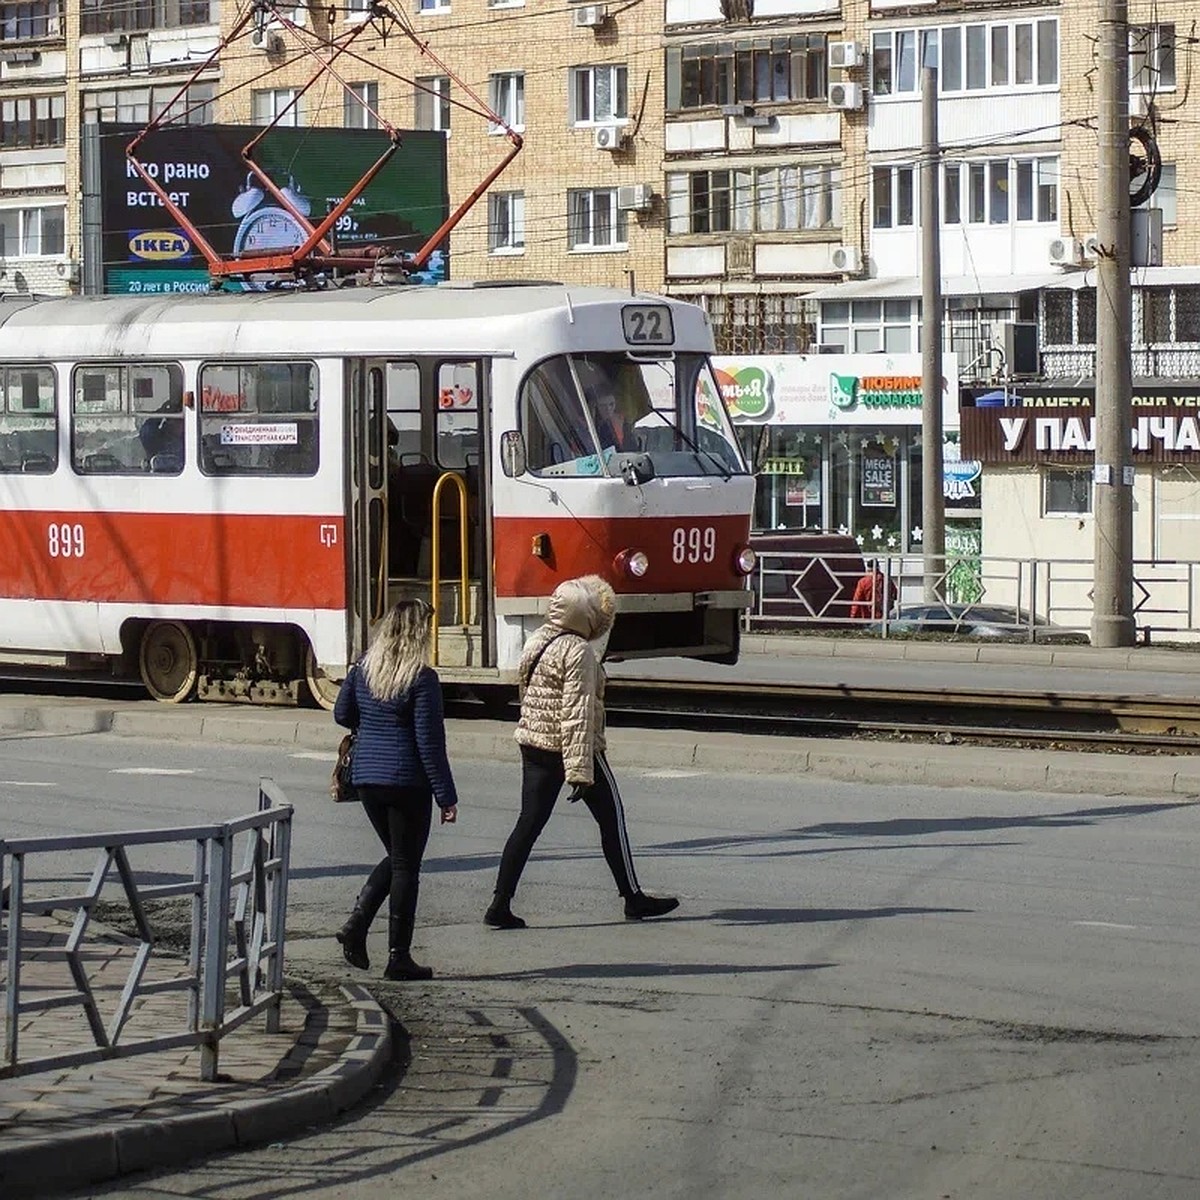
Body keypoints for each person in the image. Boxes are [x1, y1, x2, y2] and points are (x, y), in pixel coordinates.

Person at [484, 574, 678, 930]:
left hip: (534, 743)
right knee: (612, 819)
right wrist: (579, 770)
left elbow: (526, 691)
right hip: (575, 749)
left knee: (528, 825)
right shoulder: (579, 652)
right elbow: (578, 712)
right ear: (588, 617)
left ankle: (500, 902)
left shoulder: (539, 639)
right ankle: (633, 898)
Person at [333, 599, 458, 980]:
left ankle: (357, 924)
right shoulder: (421, 678)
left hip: (368, 779)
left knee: (398, 857)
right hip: (407, 782)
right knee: (406, 865)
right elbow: (428, 742)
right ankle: (397, 956)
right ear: (420, 634)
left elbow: (342, 715)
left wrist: (371, 725)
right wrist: (446, 795)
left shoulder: (363, 671)